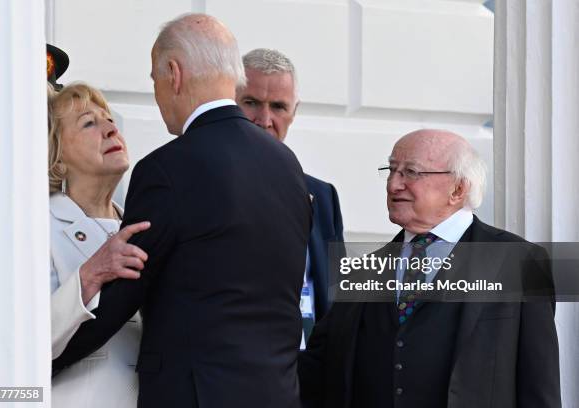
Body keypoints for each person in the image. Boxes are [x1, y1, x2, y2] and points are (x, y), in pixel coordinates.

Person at [53, 13, 311, 408]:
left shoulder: (169, 169)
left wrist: (23, 364)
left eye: (154, 79)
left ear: (173, 74)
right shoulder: (287, 166)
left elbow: (121, 299)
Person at [298, 129, 560, 408]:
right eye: (392, 170)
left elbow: (539, 387)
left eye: (411, 172)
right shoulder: (364, 272)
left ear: (458, 189)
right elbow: (318, 370)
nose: (393, 185)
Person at [48, 82, 150, 407]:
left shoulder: (140, 226)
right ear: (57, 157)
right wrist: (91, 274)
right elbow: (19, 343)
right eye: (89, 123)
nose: (109, 129)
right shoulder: (36, 228)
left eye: (109, 120)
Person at [236, 48, 344, 344]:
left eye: (279, 106)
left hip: (309, 375)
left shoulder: (323, 196)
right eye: (251, 103)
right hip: (236, 373)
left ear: (294, 112)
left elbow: (335, 299)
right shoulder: (200, 184)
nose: (265, 119)